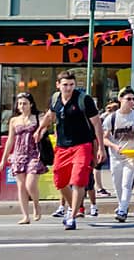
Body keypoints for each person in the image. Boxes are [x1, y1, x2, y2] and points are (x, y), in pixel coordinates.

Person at [41, 70, 101, 231]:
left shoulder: (84, 100)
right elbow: (50, 115)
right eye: (65, 85)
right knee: (60, 182)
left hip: (82, 145)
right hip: (62, 146)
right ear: (58, 85)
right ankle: (72, 205)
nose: (68, 88)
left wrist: (100, 147)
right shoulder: (55, 99)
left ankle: (72, 216)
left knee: (78, 181)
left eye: (71, 85)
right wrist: (39, 129)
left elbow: (96, 123)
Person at [0, 91, 45, 225]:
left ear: (31, 104)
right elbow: (10, 140)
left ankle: (36, 204)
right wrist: (4, 159)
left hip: (34, 153)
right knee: (21, 186)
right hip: (18, 153)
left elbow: (46, 127)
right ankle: (25, 216)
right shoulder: (14, 120)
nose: (22, 106)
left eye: (25, 103)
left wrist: (41, 131)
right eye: (20, 104)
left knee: (30, 184)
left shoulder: (38, 117)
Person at [101, 88, 134, 223]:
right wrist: (114, 146)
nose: (131, 102)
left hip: (131, 155)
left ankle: (122, 209)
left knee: (127, 183)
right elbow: (104, 138)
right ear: (120, 100)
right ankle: (123, 205)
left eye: (133, 99)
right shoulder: (112, 118)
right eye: (128, 99)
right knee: (117, 184)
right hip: (116, 156)